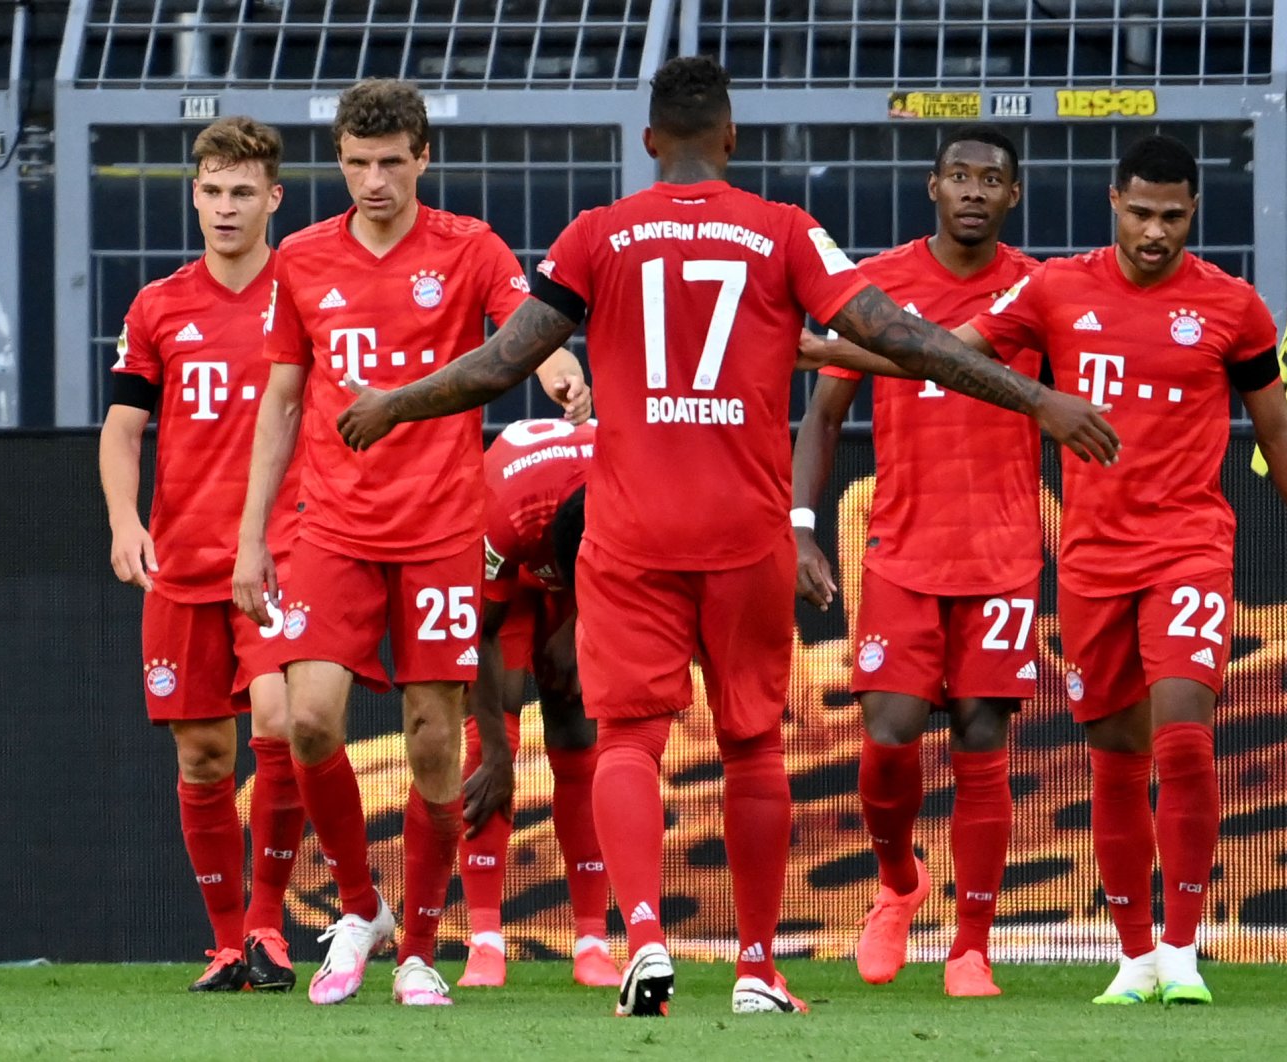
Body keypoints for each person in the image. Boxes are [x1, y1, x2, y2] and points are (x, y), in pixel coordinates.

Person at [329, 56, 1118, 1018]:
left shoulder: (596, 235)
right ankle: (754, 968)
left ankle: (647, 941)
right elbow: (901, 339)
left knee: (625, 739)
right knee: (750, 749)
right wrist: (1036, 396)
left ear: (650, 140)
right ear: (733, 139)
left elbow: (502, 363)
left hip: (629, 532)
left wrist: (394, 403)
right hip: (747, 534)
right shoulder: (783, 231)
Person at [887, 134, 1287, 1005]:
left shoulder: (1232, 307)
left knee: (1182, 734)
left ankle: (1182, 946)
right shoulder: (1060, 288)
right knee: (1115, 757)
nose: (1155, 232)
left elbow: (1280, 433)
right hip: (1093, 562)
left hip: (1189, 547)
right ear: (1113, 203)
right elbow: (946, 351)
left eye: (1172, 217)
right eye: (1141, 212)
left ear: (1194, 216)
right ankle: (1134, 956)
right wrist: (814, 350)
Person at [230, 79, 591, 1007]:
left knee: (437, 742)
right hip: (332, 528)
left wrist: (558, 365)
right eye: (357, 163)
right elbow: (279, 403)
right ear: (340, 161)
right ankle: (362, 907)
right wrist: (250, 540)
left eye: (392, 162)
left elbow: (530, 328)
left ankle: (421, 947)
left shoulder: (470, 248)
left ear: (423, 159)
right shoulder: (304, 258)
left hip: (439, 530)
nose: (375, 181)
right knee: (307, 720)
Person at [791, 125, 1040, 997]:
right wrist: (800, 524)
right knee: (889, 739)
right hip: (900, 551)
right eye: (960, 176)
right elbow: (824, 413)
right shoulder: (881, 283)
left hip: (1004, 556)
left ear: (1014, 197)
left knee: (982, 739)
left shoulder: (1037, 291)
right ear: (932, 187)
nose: (974, 191)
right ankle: (899, 883)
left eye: (992, 180)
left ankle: (971, 946)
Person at [98, 116, 306, 993]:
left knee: (283, 726)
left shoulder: (303, 294)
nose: (225, 208)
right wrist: (122, 520)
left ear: (274, 198)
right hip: (181, 560)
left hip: (282, 551)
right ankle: (228, 943)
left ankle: (270, 925)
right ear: (195, 193)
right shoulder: (158, 305)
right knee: (204, 759)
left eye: (242, 191)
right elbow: (122, 430)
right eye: (212, 190)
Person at [456, 417, 617, 990]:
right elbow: (477, 632)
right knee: (487, 740)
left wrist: (578, 622)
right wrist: (499, 757)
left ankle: (593, 942)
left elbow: (630, 578)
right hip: (511, 579)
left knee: (579, 733)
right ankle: (485, 941)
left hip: (589, 578)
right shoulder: (503, 509)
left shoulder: (630, 485)